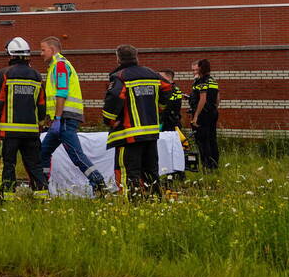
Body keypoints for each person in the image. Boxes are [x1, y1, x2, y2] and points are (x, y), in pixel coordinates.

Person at [38, 36, 107, 196]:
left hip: (65, 119)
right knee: (43, 152)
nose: (41, 53)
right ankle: (41, 185)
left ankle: (99, 183)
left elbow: (62, 92)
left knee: (76, 155)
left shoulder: (60, 65)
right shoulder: (56, 66)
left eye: (43, 50)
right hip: (62, 119)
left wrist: (58, 118)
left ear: (53, 50)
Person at [101, 44, 172, 199]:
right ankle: (154, 200)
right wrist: (159, 108)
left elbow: (113, 98)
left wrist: (110, 121)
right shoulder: (152, 74)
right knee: (150, 170)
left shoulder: (120, 77)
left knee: (128, 171)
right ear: (136, 56)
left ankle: (131, 203)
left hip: (128, 135)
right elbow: (168, 88)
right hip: (151, 133)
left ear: (118, 58)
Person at [0, 37, 49, 201]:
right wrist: (41, 125)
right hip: (31, 133)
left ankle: (6, 197)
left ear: (11, 54)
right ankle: (42, 196)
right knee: (35, 166)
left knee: (8, 165)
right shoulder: (36, 75)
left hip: (9, 132)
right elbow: (42, 103)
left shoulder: (5, 73)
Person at [189, 58, 219, 170]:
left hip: (203, 115)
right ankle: (214, 165)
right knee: (212, 139)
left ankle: (206, 165)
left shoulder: (202, 81)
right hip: (213, 112)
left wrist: (196, 116)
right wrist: (213, 108)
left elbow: (202, 99)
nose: (194, 72)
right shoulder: (212, 80)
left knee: (202, 140)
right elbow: (217, 98)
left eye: (196, 69)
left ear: (201, 68)